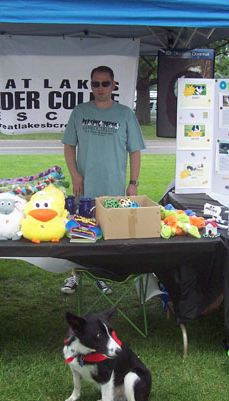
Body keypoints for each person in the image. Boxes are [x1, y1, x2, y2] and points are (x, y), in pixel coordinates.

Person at [60, 65, 146, 294]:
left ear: (113, 85)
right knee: (79, 231)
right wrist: (75, 174)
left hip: (114, 186)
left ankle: (101, 275)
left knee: (107, 233)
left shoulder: (125, 114)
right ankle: (75, 275)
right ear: (91, 85)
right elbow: (69, 145)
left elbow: (135, 150)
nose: (100, 88)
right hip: (84, 185)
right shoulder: (79, 112)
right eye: (96, 83)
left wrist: (133, 183)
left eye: (105, 83)